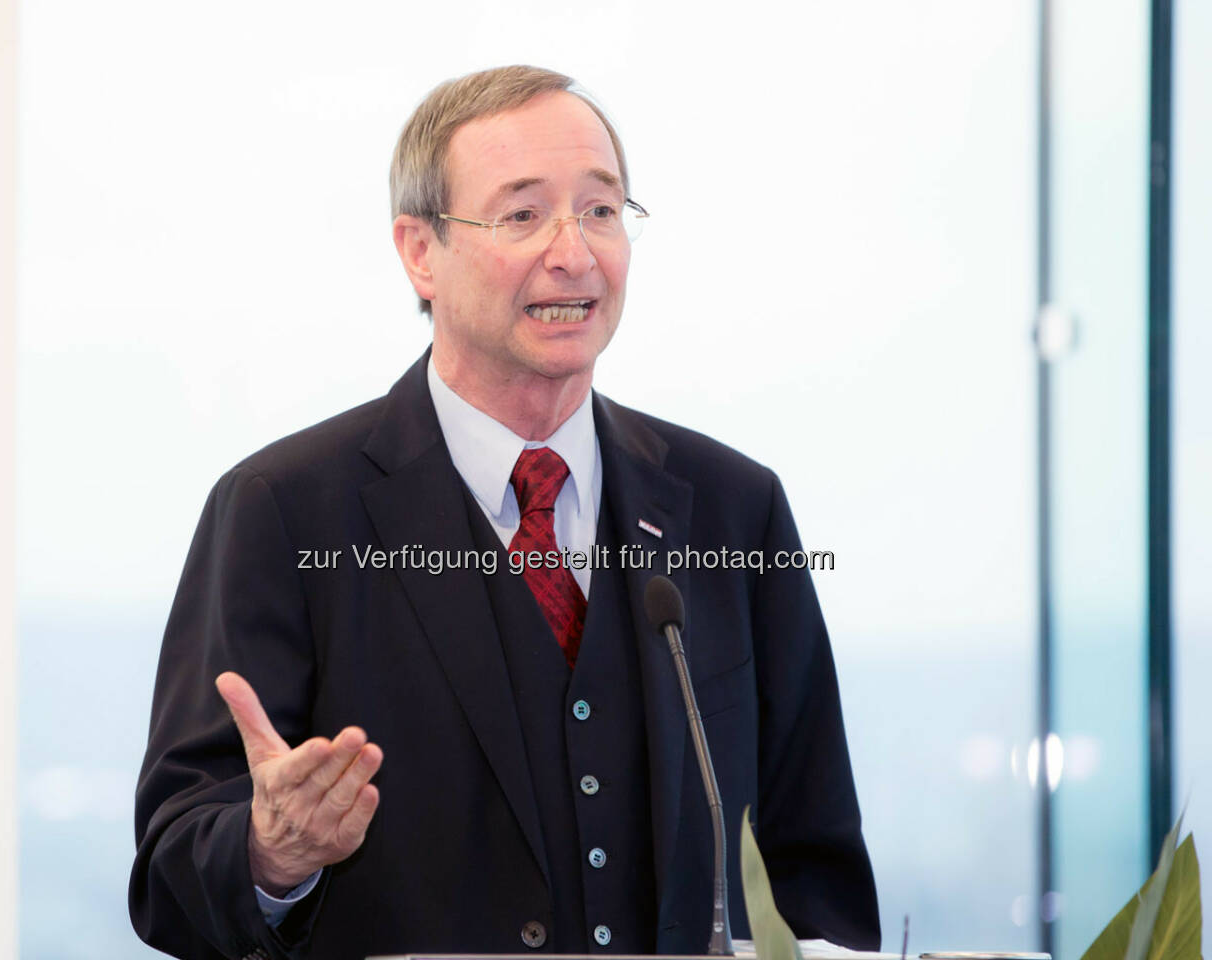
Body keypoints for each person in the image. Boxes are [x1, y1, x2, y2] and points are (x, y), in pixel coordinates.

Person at [130, 65, 879, 960]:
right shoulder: (285, 512)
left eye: (601, 210)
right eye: (523, 215)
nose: (575, 252)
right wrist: (270, 852)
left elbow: (816, 872)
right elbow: (169, 876)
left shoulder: (732, 507)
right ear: (420, 250)